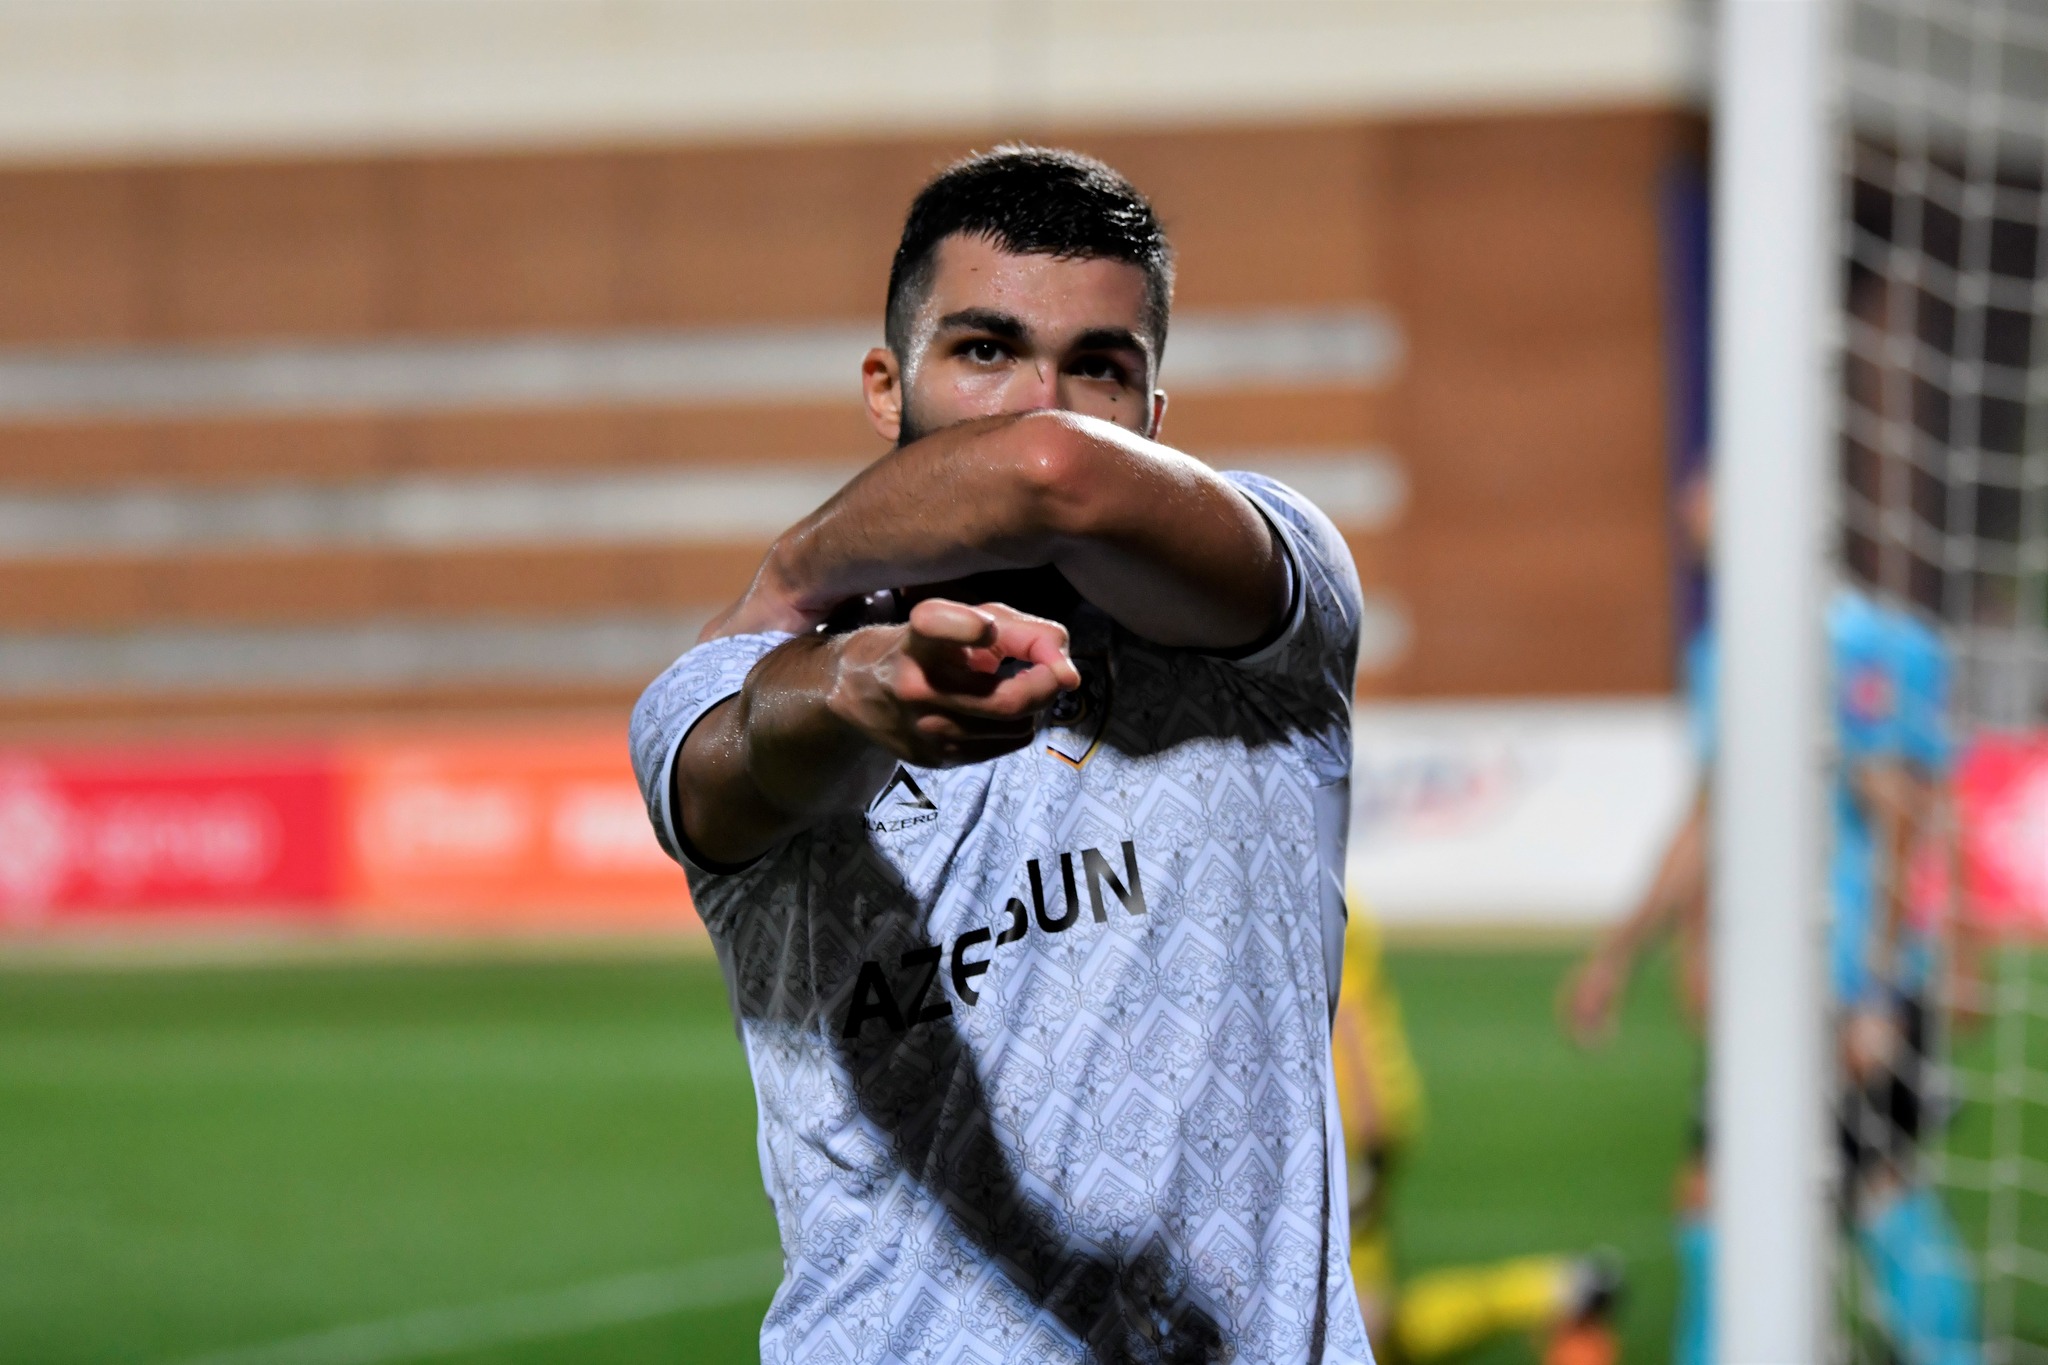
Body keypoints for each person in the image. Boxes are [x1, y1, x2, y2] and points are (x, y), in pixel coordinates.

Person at [630, 147, 1373, 1362]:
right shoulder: (725, 680)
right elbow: (742, 755)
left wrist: (794, 566)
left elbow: (1051, 475)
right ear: (886, 386)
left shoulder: (1274, 609)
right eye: (985, 351)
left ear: (1154, 420)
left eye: (1098, 367)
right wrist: (848, 689)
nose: (1043, 404)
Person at [1562, 468, 1980, 1365]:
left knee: (1856, 1188)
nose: (1690, 507)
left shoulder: (1863, 647)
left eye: (1711, 492)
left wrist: (1877, 991)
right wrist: (1622, 953)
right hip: (1775, 989)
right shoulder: (1727, 652)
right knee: (1755, 1191)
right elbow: (1713, 819)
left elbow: (1910, 819)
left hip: (1849, 984)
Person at [1335, 909, 1620, 1365]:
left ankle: (1555, 1289)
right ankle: (1556, 1289)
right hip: (1351, 1127)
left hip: (1343, 1135)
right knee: (1366, 1319)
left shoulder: (1304, 890)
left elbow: (1346, 1008)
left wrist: (1368, 1139)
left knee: (1356, 1318)